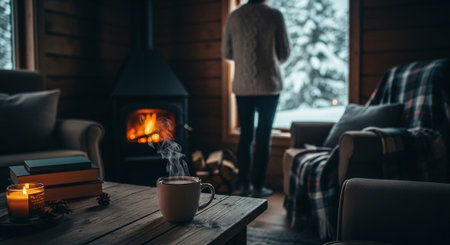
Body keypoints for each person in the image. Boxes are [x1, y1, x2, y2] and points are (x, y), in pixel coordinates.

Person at [222, 0, 290, 197]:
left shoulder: (234, 16)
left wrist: (244, 59)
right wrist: (266, 57)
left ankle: (244, 185)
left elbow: (227, 52)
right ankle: (259, 187)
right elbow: (284, 53)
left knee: (245, 136)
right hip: (269, 85)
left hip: (242, 86)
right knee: (263, 136)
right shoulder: (274, 15)